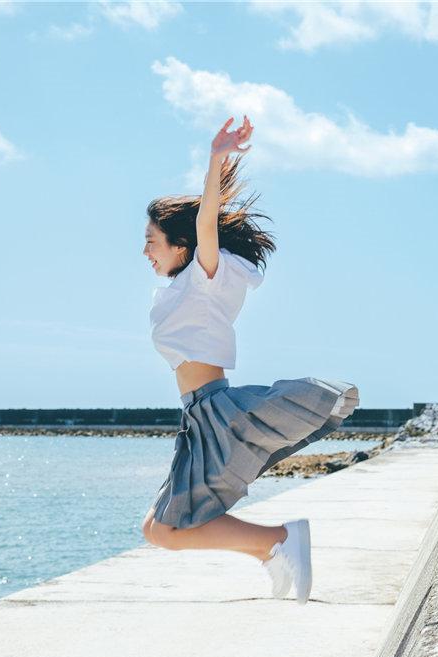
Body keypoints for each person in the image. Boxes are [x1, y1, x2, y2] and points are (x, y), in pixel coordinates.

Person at [141, 116, 358, 604]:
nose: (145, 251)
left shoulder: (204, 275)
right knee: (158, 528)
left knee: (162, 529)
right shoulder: (180, 291)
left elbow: (205, 221)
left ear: (182, 247)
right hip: (198, 416)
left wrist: (216, 159)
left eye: (152, 242)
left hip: (214, 410)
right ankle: (274, 548)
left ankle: (278, 542)